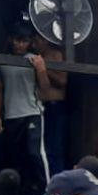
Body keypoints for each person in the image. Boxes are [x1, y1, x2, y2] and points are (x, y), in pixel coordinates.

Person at [0, 23, 53, 195]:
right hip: (11, 115)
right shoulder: (3, 62)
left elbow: (45, 89)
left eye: (24, 41)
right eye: (17, 41)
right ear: (11, 40)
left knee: (35, 154)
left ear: (30, 42)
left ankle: (47, 192)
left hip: (32, 113)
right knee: (15, 157)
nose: (20, 45)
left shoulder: (34, 60)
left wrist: (42, 70)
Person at [32, 33, 68, 179]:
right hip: (40, 107)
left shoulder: (55, 55)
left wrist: (45, 69)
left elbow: (62, 81)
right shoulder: (34, 57)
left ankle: (57, 180)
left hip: (55, 106)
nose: (35, 43)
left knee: (55, 147)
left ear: (46, 40)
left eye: (38, 40)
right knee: (42, 148)